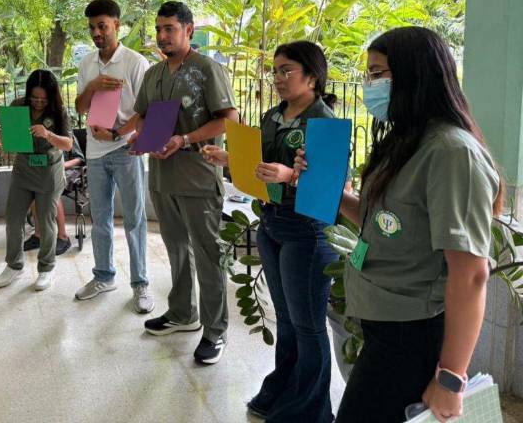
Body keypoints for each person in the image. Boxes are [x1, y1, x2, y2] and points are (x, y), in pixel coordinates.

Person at [296, 27, 503, 423]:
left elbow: (471, 273)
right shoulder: (407, 141)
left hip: (413, 334)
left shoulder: (451, 153)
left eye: (378, 74)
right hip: (385, 327)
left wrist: (450, 378)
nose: (369, 85)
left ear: (414, 75)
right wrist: (324, 186)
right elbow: (380, 222)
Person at [203, 41, 340, 421]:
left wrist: (290, 176)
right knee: (287, 318)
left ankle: (312, 411)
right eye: (275, 71)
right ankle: (285, 387)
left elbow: (331, 187)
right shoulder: (272, 116)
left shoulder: (324, 122)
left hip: (306, 232)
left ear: (312, 76)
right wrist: (229, 158)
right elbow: (260, 164)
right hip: (272, 225)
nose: (278, 78)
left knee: (309, 326)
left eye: (287, 70)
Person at [131, 1, 238, 365]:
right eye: (158, 29)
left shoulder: (207, 70)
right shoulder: (154, 75)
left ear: (189, 30)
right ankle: (182, 313)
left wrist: (185, 138)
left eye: (170, 29)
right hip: (162, 176)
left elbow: (229, 119)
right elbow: (142, 116)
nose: (162, 36)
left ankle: (215, 330)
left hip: (198, 177)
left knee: (208, 255)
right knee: (175, 248)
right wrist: (143, 138)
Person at [73, 0, 154, 313]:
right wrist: (93, 86)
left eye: (102, 26)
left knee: (134, 219)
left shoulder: (135, 62)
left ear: (117, 25)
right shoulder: (86, 64)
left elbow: (145, 110)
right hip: (95, 154)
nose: (96, 33)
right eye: (92, 27)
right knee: (100, 219)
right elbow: (80, 108)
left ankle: (141, 284)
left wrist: (119, 133)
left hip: (126, 150)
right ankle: (104, 276)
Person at [0, 70, 74, 292]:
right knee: (13, 219)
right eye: (34, 97)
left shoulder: (59, 112)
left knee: (46, 222)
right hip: (23, 170)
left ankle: (46, 268)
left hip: (49, 171)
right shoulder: (18, 106)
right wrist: (1, 132)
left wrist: (48, 134)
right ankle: (14, 265)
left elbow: (68, 144)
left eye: (43, 99)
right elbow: (11, 140)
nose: (38, 102)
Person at [23, 131, 84, 255]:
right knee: (34, 184)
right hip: (46, 171)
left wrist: (61, 165)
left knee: (50, 185)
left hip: (68, 171)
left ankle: (63, 237)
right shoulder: (39, 134)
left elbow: (79, 159)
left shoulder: (65, 133)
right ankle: (39, 235)